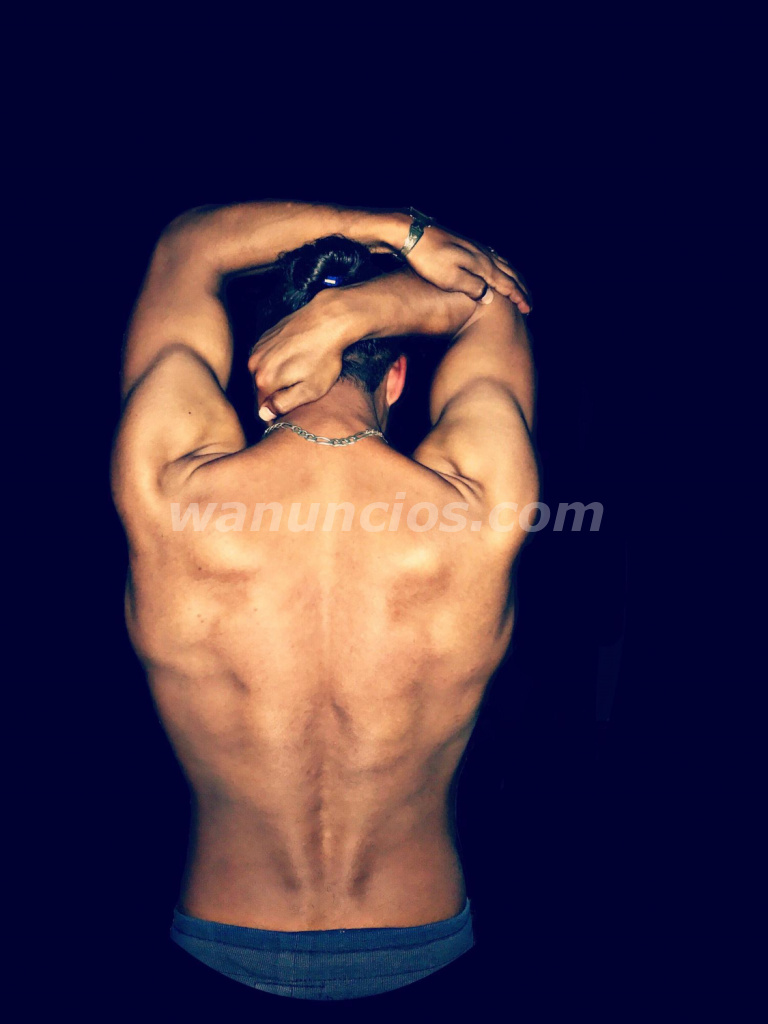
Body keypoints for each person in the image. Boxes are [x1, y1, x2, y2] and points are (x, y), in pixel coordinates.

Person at [111, 201, 536, 1001]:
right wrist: (356, 314)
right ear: (398, 377)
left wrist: (397, 235)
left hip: (215, 945)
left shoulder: (167, 493)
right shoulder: (479, 508)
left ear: (258, 367)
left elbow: (186, 247)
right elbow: (493, 299)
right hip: (428, 947)